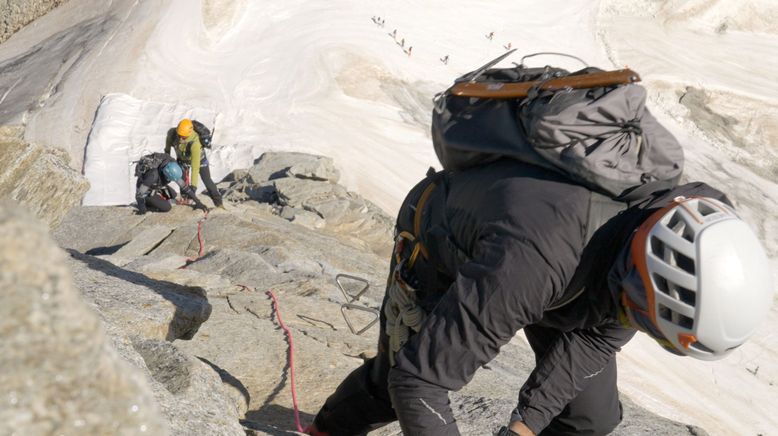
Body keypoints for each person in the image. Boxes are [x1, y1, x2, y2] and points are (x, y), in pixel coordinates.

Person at [307, 160, 773, 435]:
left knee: (588, 418)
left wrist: (524, 425)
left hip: (574, 274)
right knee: (399, 383)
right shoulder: (531, 265)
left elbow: (595, 340)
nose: (636, 326)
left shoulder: (675, 237)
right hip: (447, 244)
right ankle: (330, 429)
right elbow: (420, 382)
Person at [165, 118, 224, 208]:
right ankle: (186, 200)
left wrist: (194, 186)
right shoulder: (172, 134)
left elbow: (195, 167)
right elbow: (167, 150)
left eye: (183, 137)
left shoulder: (195, 143)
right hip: (182, 159)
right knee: (182, 180)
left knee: (207, 180)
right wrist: (166, 162)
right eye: (179, 135)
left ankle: (218, 202)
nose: (180, 138)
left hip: (200, 160)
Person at [134, 153, 209, 214]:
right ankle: (148, 202)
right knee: (167, 207)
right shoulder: (152, 176)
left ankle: (158, 195)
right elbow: (139, 194)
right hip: (147, 190)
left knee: (175, 195)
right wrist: (142, 209)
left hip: (158, 185)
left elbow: (184, 187)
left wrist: (198, 202)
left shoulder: (171, 167)